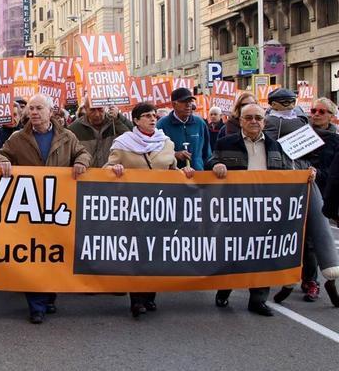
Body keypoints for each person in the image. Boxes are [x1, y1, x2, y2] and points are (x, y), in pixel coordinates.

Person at [0, 94, 91, 324]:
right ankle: (36, 305)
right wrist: (1, 160)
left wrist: (81, 162)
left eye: (39, 108)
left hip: (57, 207)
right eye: (31, 109)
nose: (34, 112)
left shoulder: (67, 136)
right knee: (34, 254)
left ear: (51, 111)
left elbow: (83, 153)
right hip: (29, 207)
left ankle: (48, 295)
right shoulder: (18, 138)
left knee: (53, 253)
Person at [208, 104, 303, 316]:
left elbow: (288, 173)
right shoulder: (225, 142)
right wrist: (216, 165)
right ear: (241, 121)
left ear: (264, 121)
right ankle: (224, 289)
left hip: (266, 210)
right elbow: (211, 160)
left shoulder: (275, 146)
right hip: (234, 209)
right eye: (248, 117)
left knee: (263, 254)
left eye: (258, 118)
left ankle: (258, 300)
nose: (253, 121)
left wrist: (306, 174)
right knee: (232, 252)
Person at [104, 102, 194, 317]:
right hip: (132, 207)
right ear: (135, 120)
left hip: (160, 207)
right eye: (146, 116)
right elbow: (106, 169)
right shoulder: (123, 143)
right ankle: (136, 299)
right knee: (137, 253)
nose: (152, 119)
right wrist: (114, 168)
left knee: (155, 252)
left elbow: (172, 170)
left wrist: (184, 172)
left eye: (154, 115)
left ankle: (150, 295)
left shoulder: (166, 143)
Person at [275, 97, 339, 303]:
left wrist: (317, 173)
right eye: (313, 111)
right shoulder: (301, 134)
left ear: (332, 116)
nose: (316, 115)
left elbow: (334, 172)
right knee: (295, 237)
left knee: (313, 240)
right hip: (296, 192)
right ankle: (290, 277)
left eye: (322, 112)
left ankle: (312, 282)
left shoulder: (335, 140)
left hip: (321, 193)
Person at [156, 88, 211, 171]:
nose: (188, 105)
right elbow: (156, 153)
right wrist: (174, 154)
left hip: (198, 174)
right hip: (173, 175)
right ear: (174, 104)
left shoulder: (200, 123)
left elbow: (207, 152)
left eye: (190, 101)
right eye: (184, 102)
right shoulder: (162, 124)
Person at [68, 98, 131, 168]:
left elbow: (131, 140)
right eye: (92, 110)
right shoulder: (74, 129)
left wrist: (118, 119)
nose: (97, 114)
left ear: (105, 107)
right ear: (85, 109)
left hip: (113, 172)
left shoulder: (115, 122)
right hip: (87, 173)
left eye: (100, 109)